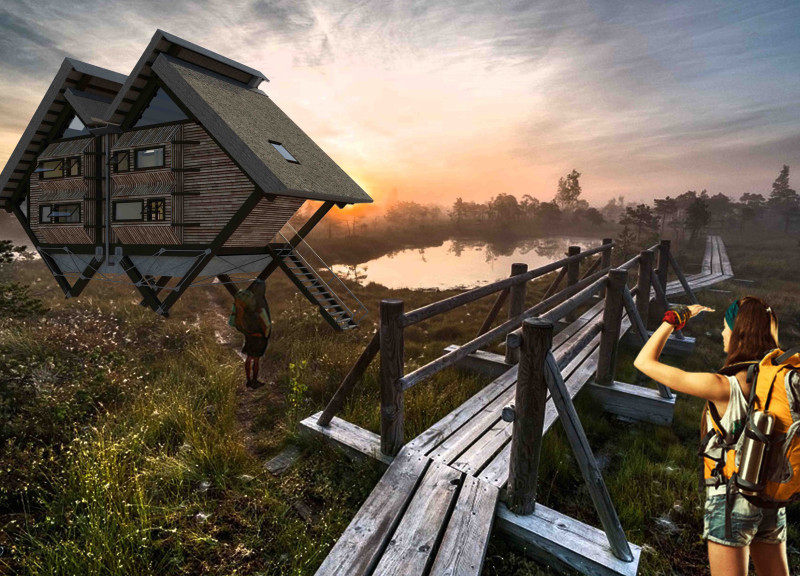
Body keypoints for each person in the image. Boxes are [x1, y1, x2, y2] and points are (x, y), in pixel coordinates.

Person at [633, 296, 790, 576]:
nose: (722, 333)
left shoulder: (722, 387)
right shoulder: (780, 385)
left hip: (731, 498)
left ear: (738, 332)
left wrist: (676, 317)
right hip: (771, 498)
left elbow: (644, 361)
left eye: (725, 327)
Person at [228, 279, 272, 389]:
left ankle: (248, 380)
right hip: (259, 337)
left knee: (249, 358)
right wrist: (266, 336)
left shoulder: (245, 306)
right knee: (256, 360)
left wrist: (247, 333)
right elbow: (265, 325)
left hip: (249, 336)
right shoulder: (258, 307)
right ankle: (254, 380)